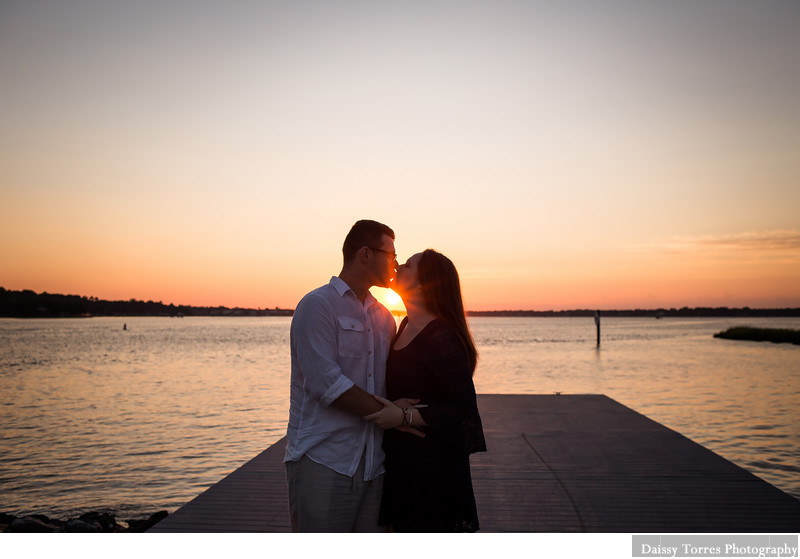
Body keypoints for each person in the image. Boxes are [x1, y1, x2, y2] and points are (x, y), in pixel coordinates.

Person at [284, 219, 405, 532]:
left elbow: (384, 383)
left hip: (373, 465)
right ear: (364, 254)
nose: (395, 262)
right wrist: (390, 413)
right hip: (324, 461)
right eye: (390, 254)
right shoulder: (317, 306)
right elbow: (326, 384)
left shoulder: (384, 318)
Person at [365, 249, 487, 532]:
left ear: (424, 283)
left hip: (432, 470)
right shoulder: (406, 324)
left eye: (407, 265)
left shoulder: (440, 335)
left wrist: (404, 417)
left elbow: (464, 411)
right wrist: (394, 408)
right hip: (403, 464)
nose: (397, 267)